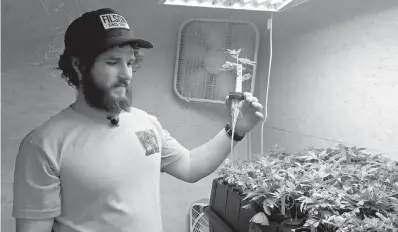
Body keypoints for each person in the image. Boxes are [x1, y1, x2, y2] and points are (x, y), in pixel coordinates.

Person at [12, 8, 264, 232]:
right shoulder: (43, 145)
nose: (126, 74)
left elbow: (189, 167)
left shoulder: (145, 123)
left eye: (130, 62)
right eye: (112, 62)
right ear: (78, 65)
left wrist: (236, 130)